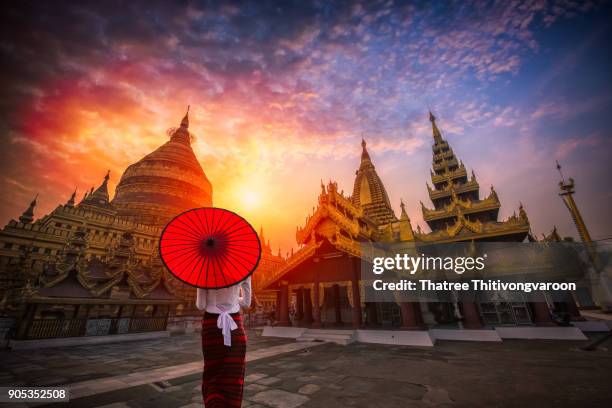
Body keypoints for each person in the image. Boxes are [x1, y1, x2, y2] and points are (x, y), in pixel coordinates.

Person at [196, 276, 252, 408]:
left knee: (213, 372)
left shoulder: (204, 271)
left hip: (212, 328)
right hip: (235, 327)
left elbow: (201, 305)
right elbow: (246, 303)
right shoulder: (244, 270)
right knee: (233, 375)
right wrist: (232, 300)